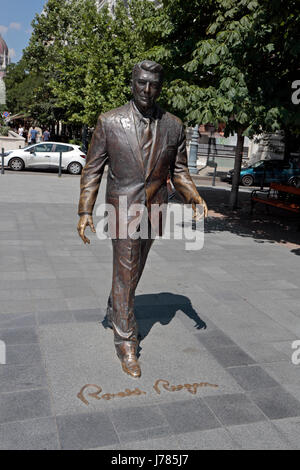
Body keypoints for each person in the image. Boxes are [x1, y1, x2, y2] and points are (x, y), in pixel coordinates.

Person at [77, 60, 208, 378]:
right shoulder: (109, 122)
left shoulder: (174, 125)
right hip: (121, 209)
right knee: (126, 269)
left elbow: (179, 171)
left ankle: (115, 305)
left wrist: (194, 196)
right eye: (141, 83)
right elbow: (92, 170)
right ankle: (126, 342)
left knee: (133, 271)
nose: (147, 90)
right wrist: (84, 210)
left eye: (154, 85)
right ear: (132, 83)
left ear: (160, 87)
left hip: (155, 210)